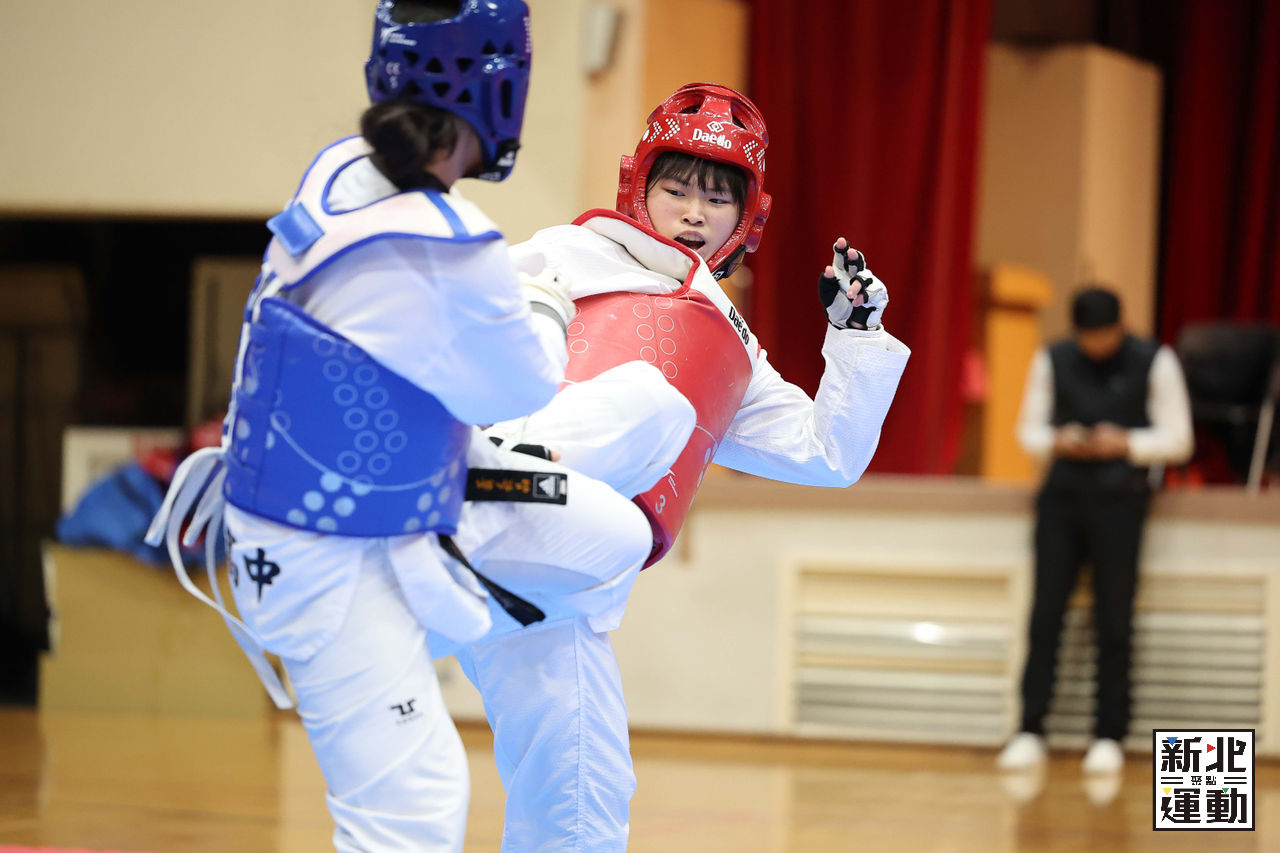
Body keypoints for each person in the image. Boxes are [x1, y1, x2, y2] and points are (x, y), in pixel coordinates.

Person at [147, 2, 689, 850]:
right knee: (412, 808)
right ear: (502, 91)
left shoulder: (335, 174)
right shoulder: (449, 245)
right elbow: (521, 382)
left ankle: (460, 611)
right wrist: (543, 299)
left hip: (376, 512)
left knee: (618, 533)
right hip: (325, 564)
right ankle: (415, 630)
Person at [453, 82, 911, 851]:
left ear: (748, 217)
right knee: (651, 402)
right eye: (677, 190)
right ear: (638, 187)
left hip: (561, 586)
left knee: (584, 805)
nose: (694, 212)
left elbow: (827, 453)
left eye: (717, 198)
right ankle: (479, 500)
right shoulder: (566, 252)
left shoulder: (730, 348)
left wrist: (856, 332)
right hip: (483, 500)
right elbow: (463, 338)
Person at [997, 287, 1193, 775]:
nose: (1096, 347)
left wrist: (1126, 443)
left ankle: (1108, 734)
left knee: (1114, 620)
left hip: (1121, 502)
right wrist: (1059, 439)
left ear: (1120, 328)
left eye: (1104, 336)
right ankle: (1029, 729)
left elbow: (1179, 439)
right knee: (1045, 616)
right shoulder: (1053, 357)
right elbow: (1027, 431)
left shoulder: (1155, 359)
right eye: (1087, 337)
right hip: (1061, 499)